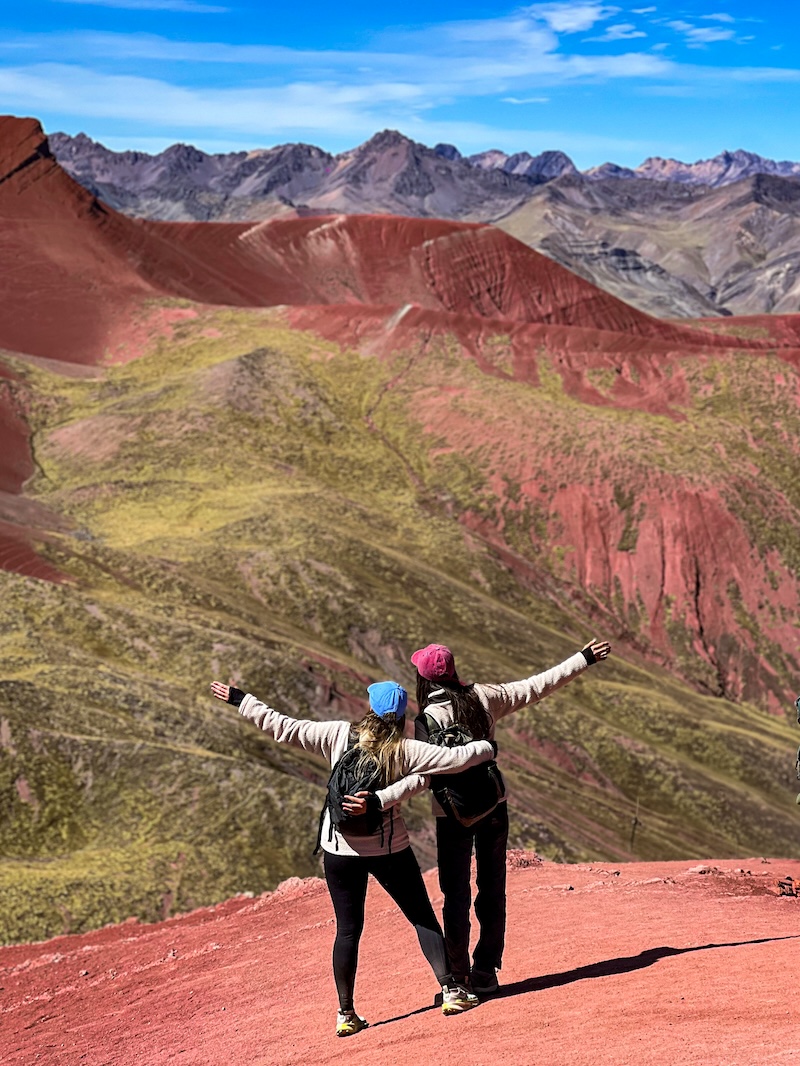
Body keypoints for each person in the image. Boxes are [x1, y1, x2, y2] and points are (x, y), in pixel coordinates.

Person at [210, 677, 500, 1037]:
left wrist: (240, 699)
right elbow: (457, 759)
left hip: (339, 849)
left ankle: (346, 1013)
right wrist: (487, 747)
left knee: (348, 930)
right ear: (401, 715)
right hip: (388, 849)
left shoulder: (337, 734)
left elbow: (282, 727)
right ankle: (451, 991)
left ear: (371, 708)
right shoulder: (406, 750)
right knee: (421, 918)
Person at [408, 638, 611, 997]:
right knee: (492, 888)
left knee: (455, 895)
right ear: (453, 670)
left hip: (451, 815)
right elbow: (536, 686)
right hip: (493, 805)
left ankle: (458, 977)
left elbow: (423, 773)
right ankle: (485, 970)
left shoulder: (426, 720)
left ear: (423, 679)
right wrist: (583, 659)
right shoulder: (484, 697)